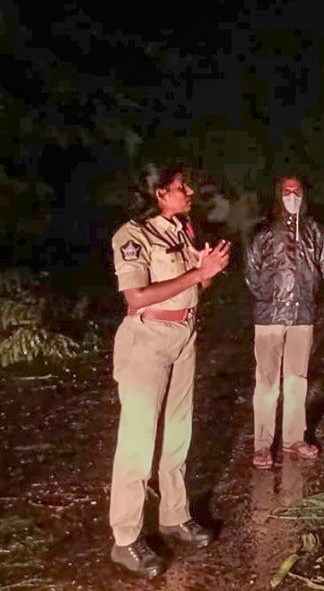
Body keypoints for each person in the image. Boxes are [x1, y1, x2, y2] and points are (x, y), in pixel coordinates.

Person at [108, 165, 231, 579]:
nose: (190, 191)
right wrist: (198, 273)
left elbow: (191, 287)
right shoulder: (132, 235)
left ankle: (174, 515)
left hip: (183, 335)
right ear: (160, 193)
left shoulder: (181, 229)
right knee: (138, 441)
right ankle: (125, 539)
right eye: (182, 187)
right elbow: (136, 293)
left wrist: (207, 272)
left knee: (179, 431)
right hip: (147, 339)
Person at [244, 175, 324, 469]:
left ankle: (294, 438)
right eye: (286, 191)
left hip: (302, 315)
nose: (291, 196)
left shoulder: (315, 231)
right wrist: (269, 299)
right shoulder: (265, 232)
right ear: (277, 195)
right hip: (269, 317)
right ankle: (262, 445)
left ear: (304, 195)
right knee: (267, 382)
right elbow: (252, 271)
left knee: (297, 380)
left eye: (296, 191)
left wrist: (306, 292)